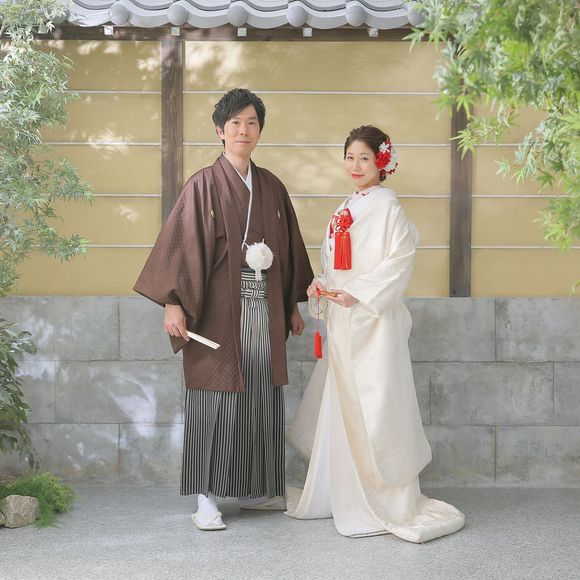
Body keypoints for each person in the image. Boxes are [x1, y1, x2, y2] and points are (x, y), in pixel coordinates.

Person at [134, 89, 313, 531]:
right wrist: (172, 302)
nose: (243, 130)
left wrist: (292, 304)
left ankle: (255, 489)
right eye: (235, 122)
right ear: (220, 130)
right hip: (216, 309)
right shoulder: (203, 185)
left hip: (263, 306)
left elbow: (288, 248)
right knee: (214, 397)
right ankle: (206, 496)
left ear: (260, 130)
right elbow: (180, 245)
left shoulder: (271, 187)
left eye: (251, 122)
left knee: (259, 396)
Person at [286, 125, 465, 543]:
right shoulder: (345, 207)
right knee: (344, 405)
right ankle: (344, 492)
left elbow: (399, 261)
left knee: (377, 405)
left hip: (373, 322)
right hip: (344, 320)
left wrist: (361, 293)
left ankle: (381, 498)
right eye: (349, 157)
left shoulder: (388, 208)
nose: (355, 166)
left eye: (364, 158)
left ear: (381, 162)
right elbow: (336, 265)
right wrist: (321, 285)